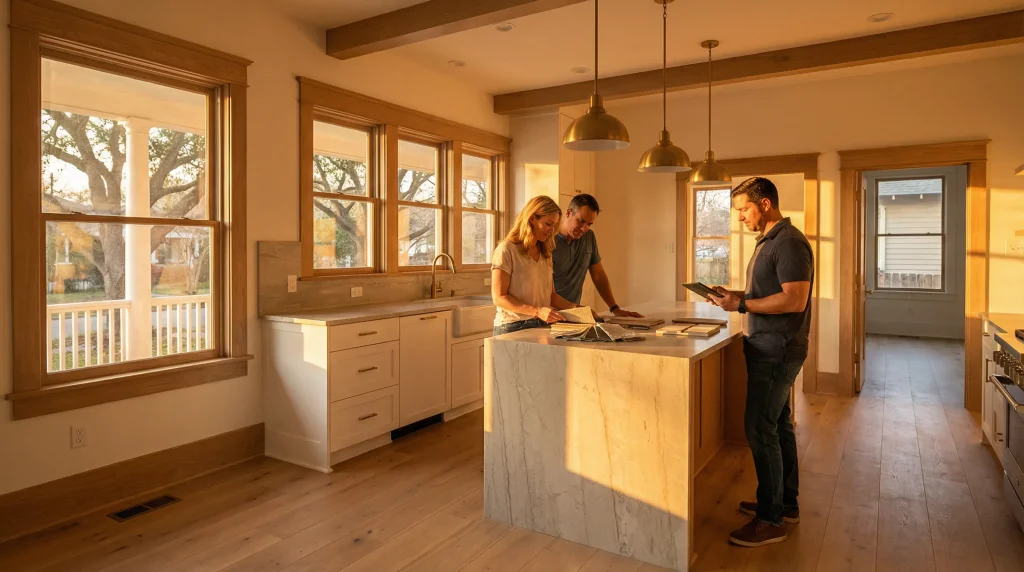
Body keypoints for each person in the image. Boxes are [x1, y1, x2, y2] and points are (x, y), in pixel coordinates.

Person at [708, 177, 813, 548]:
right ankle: (784, 503)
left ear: (765, 204)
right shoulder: (770, 241)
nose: (740, 217)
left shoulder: (789, 243)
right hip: (769, 347)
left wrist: (740, 304)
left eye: (743, 209)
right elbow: (769, 294)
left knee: (760, 427)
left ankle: (770, 520)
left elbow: (794, 300)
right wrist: (734, 296)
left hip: (776, 350)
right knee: (778, 425)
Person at [491, 196, 577, 336]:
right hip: (512, 326)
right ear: (531, 219)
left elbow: (551, 296)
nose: (551, 230)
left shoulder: (545, 253)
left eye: (554, 225)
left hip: (541, 324)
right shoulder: (506, 250)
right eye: (548, 224)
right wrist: (537, 311)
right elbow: (499, 297)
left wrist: (578, 309)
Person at [552, 194, 643, 318]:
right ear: (568, 213)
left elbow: (598, 274)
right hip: (549, 315)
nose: (584, 228)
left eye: (589, 224)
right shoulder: (549, 240)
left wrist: (614, 308)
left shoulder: (589, 237)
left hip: (572, 316)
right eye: (581, 221)